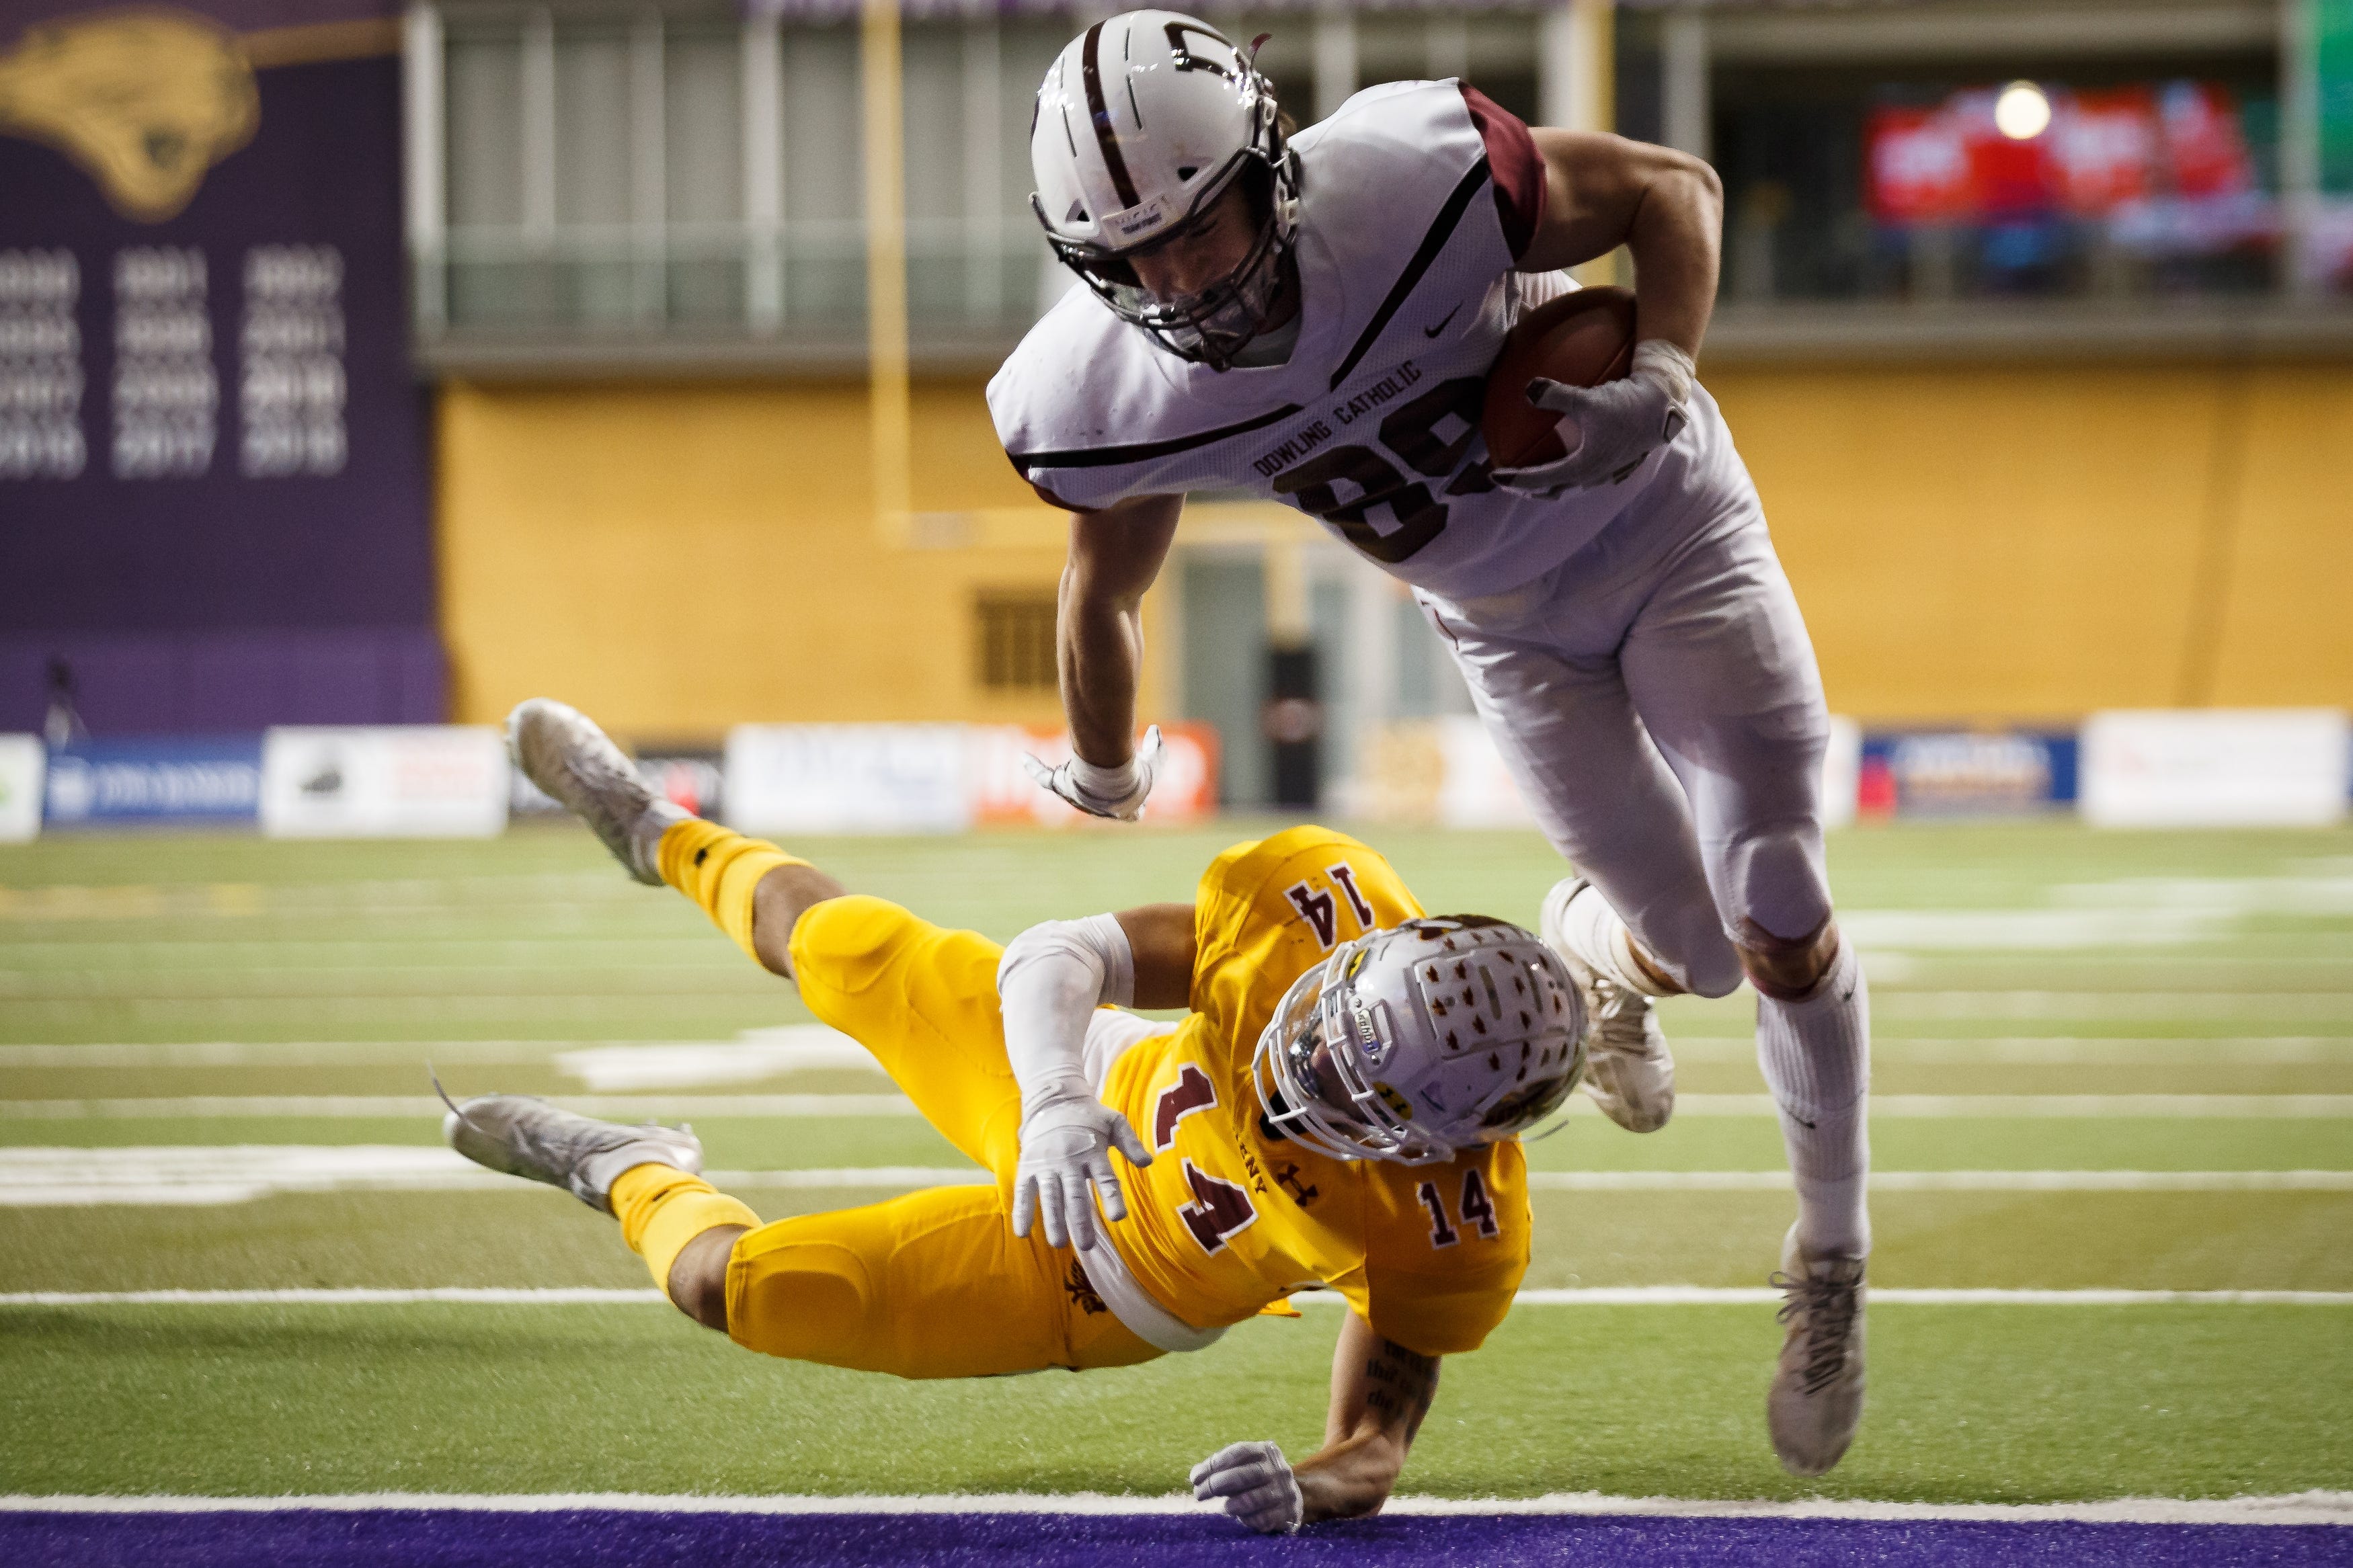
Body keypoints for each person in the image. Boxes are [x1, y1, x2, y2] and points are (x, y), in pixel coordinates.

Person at [986, 11, 1870, 1475]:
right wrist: (1103, 762)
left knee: (1776, 898)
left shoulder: (1408, 177)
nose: (1176, 282)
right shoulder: (1105, 391)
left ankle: (1828, 1251)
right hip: (1506, 628)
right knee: (1702, 954)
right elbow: (1103, 586)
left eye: (1198, 230)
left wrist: (1660, 373)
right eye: (1131, 258)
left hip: (1672, 535)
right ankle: (1602, 955)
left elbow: (1675, 189)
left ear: (1267, 166)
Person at [445, 698, 1587, 1533]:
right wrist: (1054, 1095)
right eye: (1326, 1025)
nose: (1304, 1069)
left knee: (734, 1287)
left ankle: (629, 1167)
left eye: (1351, 1089)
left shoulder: (1456, 1231)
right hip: (1082, 1078)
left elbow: (1376, 1444)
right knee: (839, 946)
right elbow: (1064, 951)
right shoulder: (1312, 906)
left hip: (1093, 1275)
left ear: (1440, 1142)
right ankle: (655, 828)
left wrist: (1312, 1483)